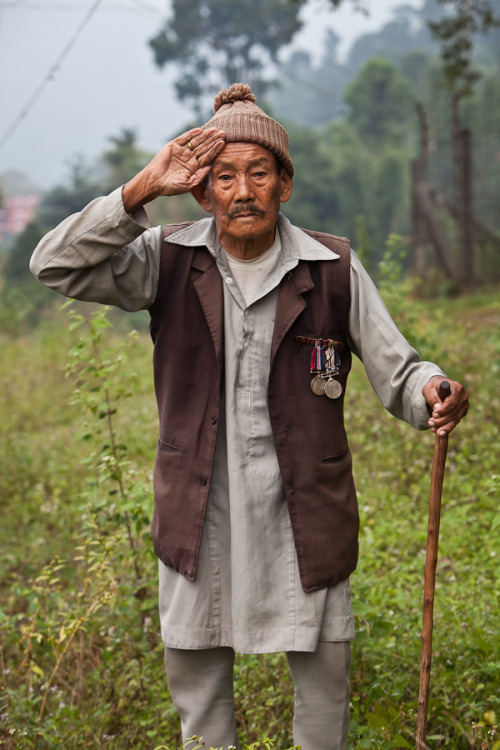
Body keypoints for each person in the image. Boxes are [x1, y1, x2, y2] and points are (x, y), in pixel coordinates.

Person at [30, 83, 469, 750]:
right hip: (198, 516)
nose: (242, 191)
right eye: (224, 176)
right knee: (202, 712)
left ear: (283, 184)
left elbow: (401, 371)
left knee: (324, 704)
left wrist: (434, 391)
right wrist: (140, 190)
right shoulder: (165, 257)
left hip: (304, 518)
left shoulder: (332, 268)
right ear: (202, 193)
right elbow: (53, 264)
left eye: (259, 173)